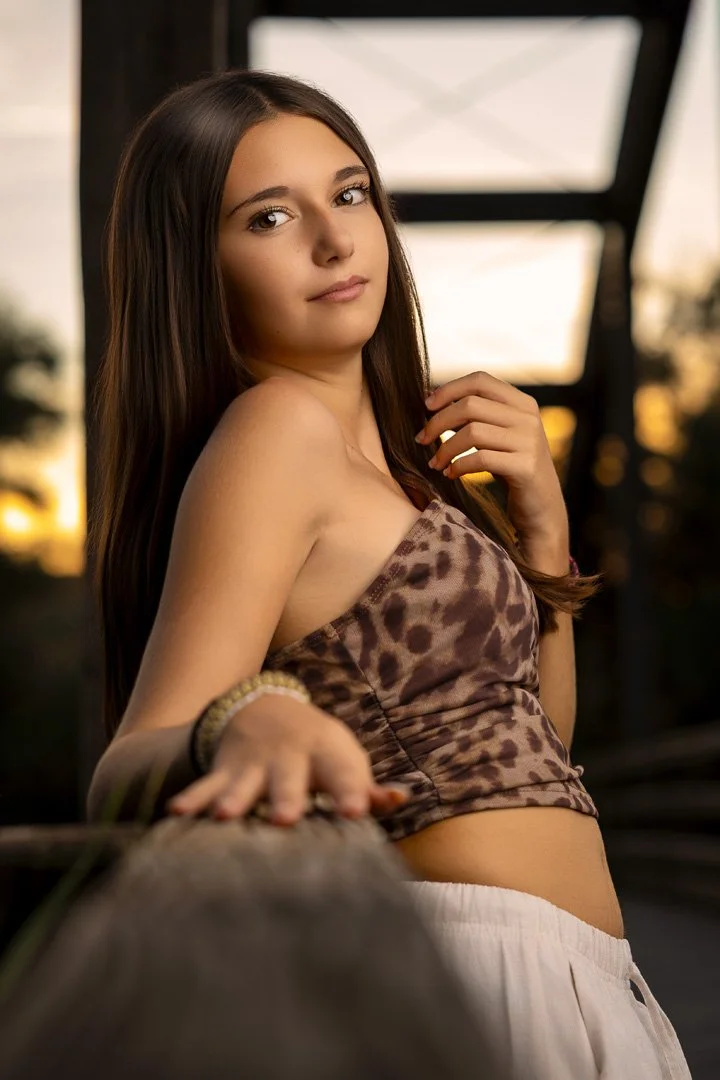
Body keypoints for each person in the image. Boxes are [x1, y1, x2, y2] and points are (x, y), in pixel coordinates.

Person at [86, 69, 691, 1079]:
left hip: (576, 976)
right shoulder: (276, 434)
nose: (334, 239)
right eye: (271, 217)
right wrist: (245, 715)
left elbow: (534, 750)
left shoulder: (414, 473)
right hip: (466, 967)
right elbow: (126, 764)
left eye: (350, 193)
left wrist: (541, 526)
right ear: (197, 265)